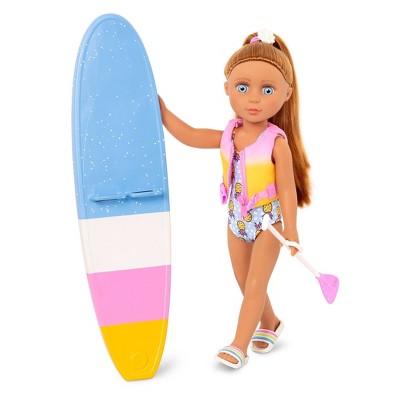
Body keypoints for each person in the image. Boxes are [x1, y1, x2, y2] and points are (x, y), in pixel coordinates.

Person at [159, 29, 311, 369]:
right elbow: (191, 135)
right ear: (227, 88)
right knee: (245, 282)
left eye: (267, 90)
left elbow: (287, 188)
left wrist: (292, 230)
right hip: (236, 220)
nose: (254, 99)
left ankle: (239, 345)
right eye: (243, 87)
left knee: (256, 283)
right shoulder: (229, 134)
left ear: (286, 94)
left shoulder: (276, 142)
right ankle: (270, 322)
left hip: (269, 224)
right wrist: (164, 113)